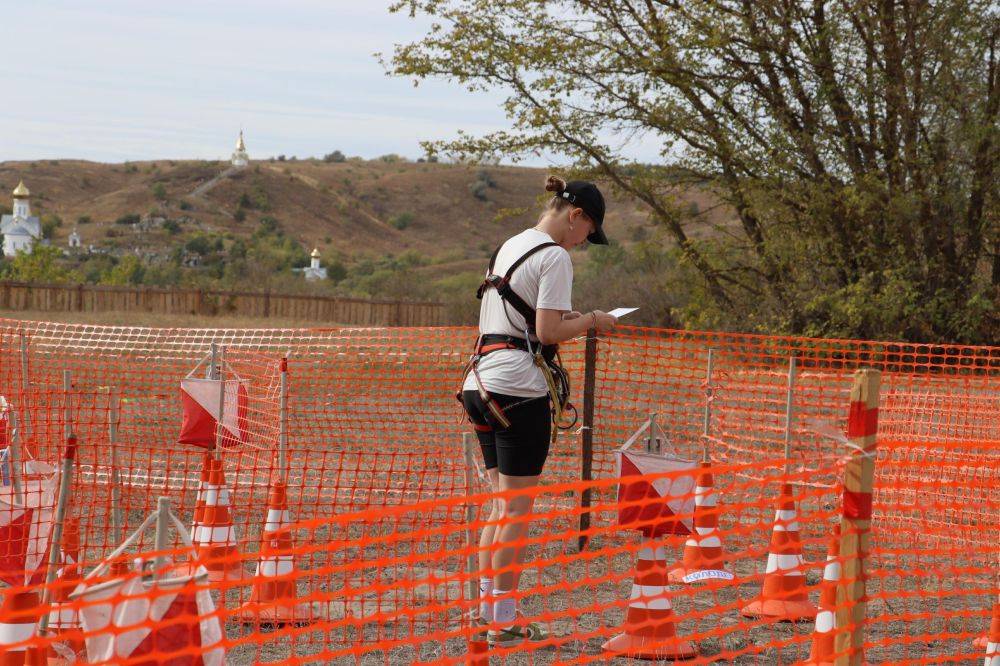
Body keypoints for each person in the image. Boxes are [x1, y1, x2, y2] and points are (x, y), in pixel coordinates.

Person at [460, 175, 617, 647]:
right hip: (517, 390)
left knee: (500, 505)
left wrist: (574, 319)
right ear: (576, 217)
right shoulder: (555, 256)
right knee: (517, 510)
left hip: (479, 382)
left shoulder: (510, 246)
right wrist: (595, 320)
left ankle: (488, 609)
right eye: (588, 232)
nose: (584, 241)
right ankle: (504, 621)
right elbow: (548, 332)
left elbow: (528, 319)